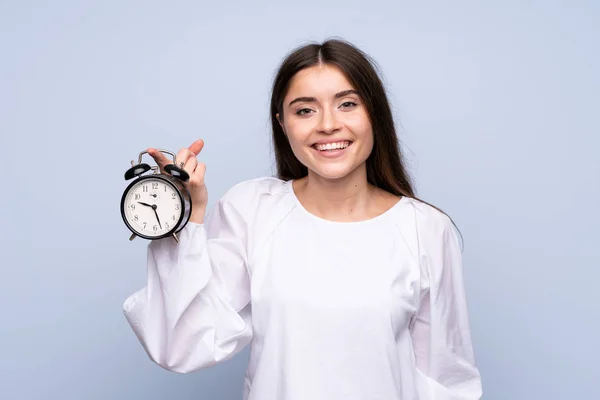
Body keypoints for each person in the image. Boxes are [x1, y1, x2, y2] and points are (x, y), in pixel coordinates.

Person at [123, 38, 483, 400]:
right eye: (305, 110)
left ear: (375, 113)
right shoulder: (252, 211)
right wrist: (185, 218)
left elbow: (446, 380)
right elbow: (181, 345)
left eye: (347, 104)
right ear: (282, 123)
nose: (328, 125)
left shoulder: (426, 230)